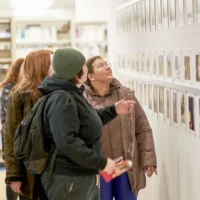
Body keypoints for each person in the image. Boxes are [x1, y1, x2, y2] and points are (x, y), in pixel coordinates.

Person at [38, 48, 136, 200]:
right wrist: (102, 162)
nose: (85, 67)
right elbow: (67, 142)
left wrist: (113, 110)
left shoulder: (72, 93)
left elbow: (87, 121)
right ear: (76, 72)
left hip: (80, 178)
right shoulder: (62, 99)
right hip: (69, 181)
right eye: (83, 65)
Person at [84, 56, 157, 200]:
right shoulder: (82, 100)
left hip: (123, 166)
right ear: (90, 76)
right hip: (99, 169)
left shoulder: (125, 94)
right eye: (100, 66)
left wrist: (148, 159)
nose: (107, 67)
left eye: (107, 64)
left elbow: (143, 128)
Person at [4, 50, 54, 200]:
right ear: (41, 66)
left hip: (57, 168)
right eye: (53, 63)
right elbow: (11, 136)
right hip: (31, 169)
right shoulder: (18, 95)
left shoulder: (59, 91)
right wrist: (14, 175)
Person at [0, 58, 24, 200]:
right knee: (12, 174)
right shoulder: (10, 88)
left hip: (14, 136)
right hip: (10, 137)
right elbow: (8, 118)